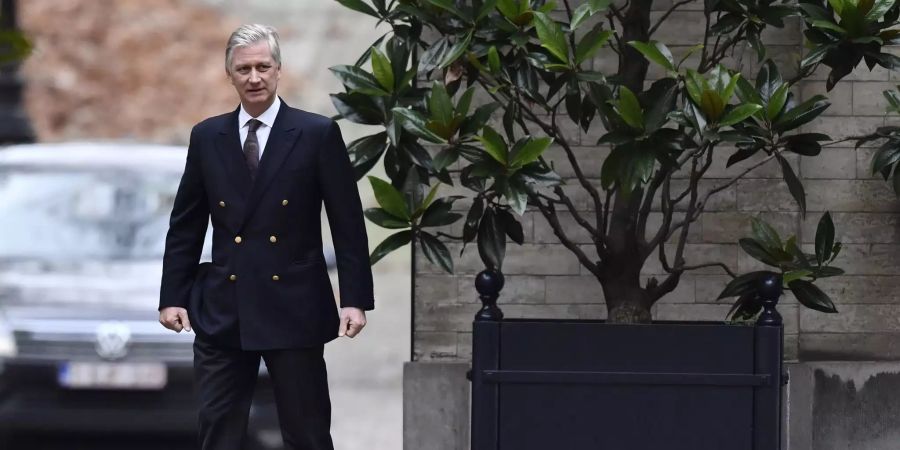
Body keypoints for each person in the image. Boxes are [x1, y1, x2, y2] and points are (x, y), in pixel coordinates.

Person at [157, 24, 374, 450]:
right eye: (244, 69)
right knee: (218, 431)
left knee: (307, 434)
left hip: (294, 306)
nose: (254, 77)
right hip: (223, 308)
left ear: (278, 71)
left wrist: (354, 299)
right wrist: (172, 295)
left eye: (262, 67)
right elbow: (185, 225)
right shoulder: (207, 137)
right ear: (230, 74)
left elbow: (347, 224)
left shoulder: (316, 133)